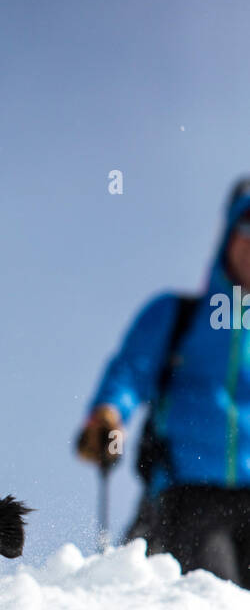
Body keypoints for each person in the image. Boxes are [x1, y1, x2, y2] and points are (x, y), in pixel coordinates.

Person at [76, 178, 250, 585]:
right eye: (247, 225)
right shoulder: (175, 316)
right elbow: (130, 371)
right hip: (188, 497)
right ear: (227, 233)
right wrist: (107, 414)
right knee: (215, 604)